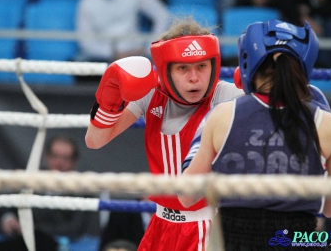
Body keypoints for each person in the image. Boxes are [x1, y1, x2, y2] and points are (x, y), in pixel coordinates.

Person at [178, 19, 331, 250]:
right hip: (299, 241)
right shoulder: (329, 124)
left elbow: (186, 196)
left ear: (249, 63)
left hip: (232, 239)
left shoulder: (224, 114)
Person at [85, 16, 244, 250]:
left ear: (214, 64)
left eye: (202, 66)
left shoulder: (226, 96)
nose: (194, 77)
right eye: (183, 68)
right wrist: (110, 98)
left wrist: (264, 87)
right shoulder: (150, 94)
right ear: (166, 69)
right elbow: (95, 140)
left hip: (207, 225)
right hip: (161, 222)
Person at [0, 135, 100, 251]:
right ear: (46, 157)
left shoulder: (83, 189)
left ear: (75, 162)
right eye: (55, 156)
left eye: (65, 158)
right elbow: (10, 206)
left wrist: (29, 228)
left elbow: (74, 229)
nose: (59, 163)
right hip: (22, 243)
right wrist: (8, 218)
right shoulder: (31, 180)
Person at [75, 0, 170, 65]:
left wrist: (149, 47)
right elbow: (86, 43)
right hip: (103, 61)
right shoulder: (86, 2)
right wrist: (114, 54)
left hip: (137, 58)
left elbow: (162, 15)